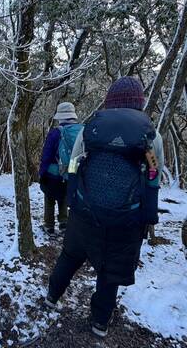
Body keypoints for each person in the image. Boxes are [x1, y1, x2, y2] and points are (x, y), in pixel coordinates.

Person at [44, 77, 164, 338]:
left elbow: (74, 163)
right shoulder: (151, 136)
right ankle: (100, 321)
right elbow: (154, 174)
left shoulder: (91, 129)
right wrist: (146, 212)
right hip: (125, 220)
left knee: (70, 256)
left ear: (109, 102)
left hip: (85, 213)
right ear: (139, 103)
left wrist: (75, 193)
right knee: (110, 272)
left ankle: (52, 296)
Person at [39, 102, 82, 234]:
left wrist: (42, 172)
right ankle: (64, 222)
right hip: (72, 171)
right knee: (63, 196)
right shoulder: (82, 131)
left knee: (50, 197)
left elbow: (47, 154)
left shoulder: (55, 133)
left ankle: (49, 225)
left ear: (60, 117)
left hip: (53, 173)